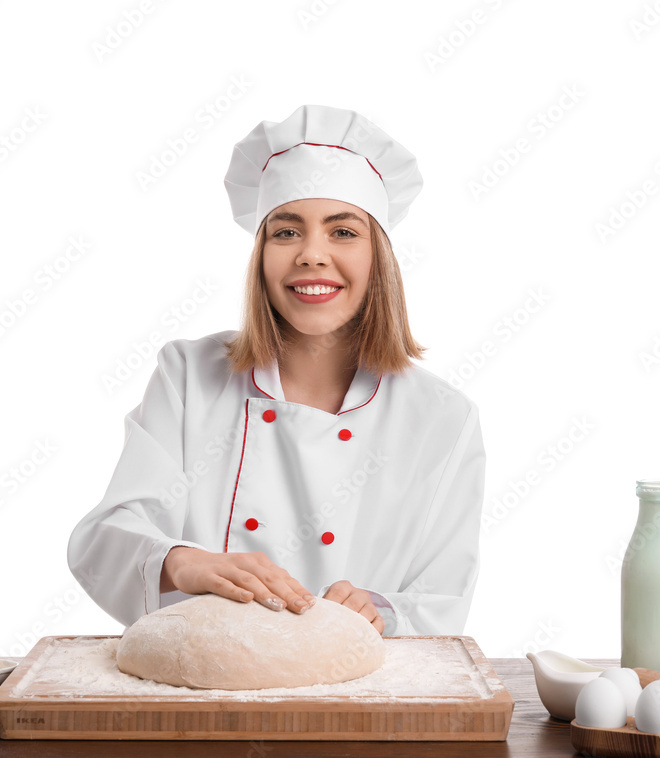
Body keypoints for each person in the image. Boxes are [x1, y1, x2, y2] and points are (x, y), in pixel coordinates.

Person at [67, 104, 486, 636]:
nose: (311, 255)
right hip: (202, 684)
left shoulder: (442, 418)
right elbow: (107, 534)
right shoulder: (190, 375)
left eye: (343, 232)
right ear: (261, 256)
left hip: (365, 697)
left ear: (379, 257)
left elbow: (443, 597)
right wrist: (182, 560)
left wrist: (381, 610)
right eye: (286, 233)